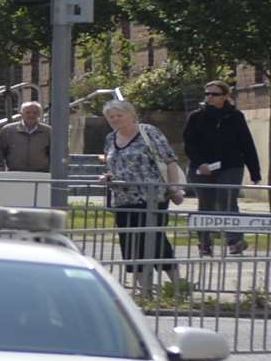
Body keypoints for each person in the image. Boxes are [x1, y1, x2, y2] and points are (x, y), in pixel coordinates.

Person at [100, 98, 182, 279]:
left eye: (119, 115)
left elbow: (170, 160)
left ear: (131, 115)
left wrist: (174, 187)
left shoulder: (148, 132)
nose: (115, 119)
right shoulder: (110, 138)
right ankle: (143, 290)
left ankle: (176, 286)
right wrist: (108, 177)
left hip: (152, 197)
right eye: (111, 117)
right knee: (130, 244)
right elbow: (111, 165)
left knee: (155, 241)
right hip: (122, 199)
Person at [182, 80, 261, 256]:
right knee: (206, 204)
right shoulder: (196, 117)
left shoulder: (235, 116)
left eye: (214, 94)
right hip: (202, 168)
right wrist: (200, 163)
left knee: (227, 200)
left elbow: (246, 144)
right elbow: (189, 144)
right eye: (207, 94)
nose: (209, 97)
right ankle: (205, 242)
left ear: (225, 96)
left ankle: (235, 240)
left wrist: (255, 172)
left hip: (230, 165)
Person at [0, 100, 52, 172]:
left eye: (35, 113)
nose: (31, 115)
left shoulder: (48, 131)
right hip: (15, 174)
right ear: (21, 114)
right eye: (28, 112)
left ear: (39, 114)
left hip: (42, 175)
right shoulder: (8, 130)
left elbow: (55, 154)